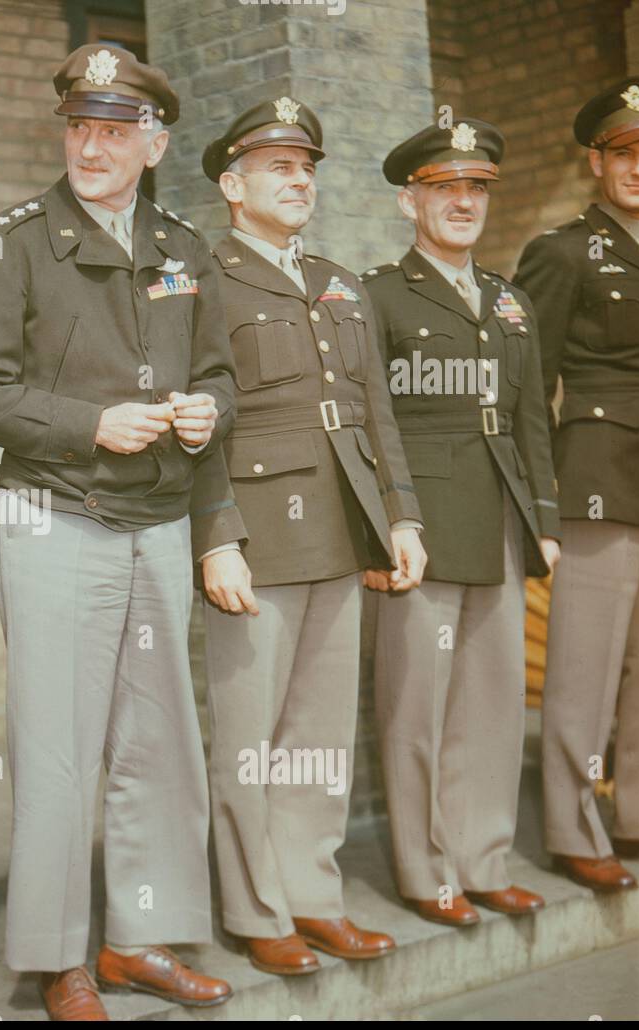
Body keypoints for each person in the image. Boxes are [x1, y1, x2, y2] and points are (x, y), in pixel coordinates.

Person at [0, 44, 236, 1021]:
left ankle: (136, 939)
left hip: (156, 519)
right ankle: (56, 956)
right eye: (79, 127)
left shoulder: (187, 249)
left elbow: (223, 377)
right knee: (56, 745)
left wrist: (205, 413)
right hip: (53, 513)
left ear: (152, 145)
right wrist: (87, 423)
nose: (92, 147)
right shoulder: (9, 241)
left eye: (114, 131)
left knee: (158, 740)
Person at [193, 97, 426, 976]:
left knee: (318, 736)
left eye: (307, 168)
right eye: (277, 166)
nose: (298, 180)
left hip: (341, 529)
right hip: (257, 538)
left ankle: (312, 896)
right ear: (232, 182)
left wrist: (399, 514)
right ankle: (257, 911)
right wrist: (214, 535)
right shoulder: (205, 277)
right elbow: (202, 424)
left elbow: (377, 414)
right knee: (249, 736)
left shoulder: (339, 280)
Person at [363, 119, 559, 926]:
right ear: (411, 200)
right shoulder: (377, 294)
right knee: (418, 706)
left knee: (490, 703)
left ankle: (483, 859)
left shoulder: (511, 301)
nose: (464, 203)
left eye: (476, 188)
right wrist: (385, 525)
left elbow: (529, 419)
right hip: (425, 526)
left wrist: (544, 516)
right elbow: (370, 421)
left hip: (502, 520)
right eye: (446, 189)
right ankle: (425, 869)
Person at [514, 77, 639, 894]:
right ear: (596, 161)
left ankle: (638, 810)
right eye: (624, 153)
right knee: (585, 664)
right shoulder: (563, 251)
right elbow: (528, 383)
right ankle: (570, 823)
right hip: (599, 468)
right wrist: (541, 497)